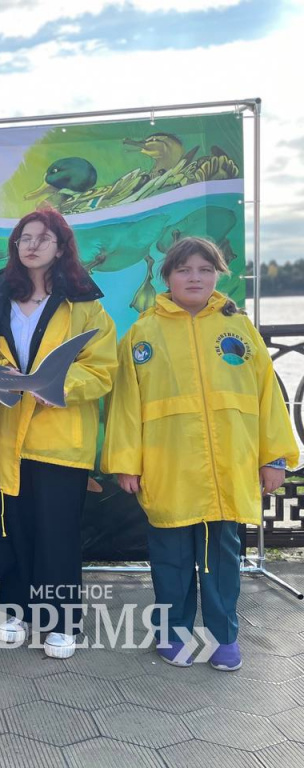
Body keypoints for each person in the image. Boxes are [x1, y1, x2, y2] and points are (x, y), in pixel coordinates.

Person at [103, 236, 298, 671]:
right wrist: (125, 462)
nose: (195, 277)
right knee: (170, 561)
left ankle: (223, 637)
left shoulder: (239, 330)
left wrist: (275, 458)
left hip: (226, 472)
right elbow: (125, 405)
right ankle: (173, 635)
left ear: (217, 276)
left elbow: (268, 396)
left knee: (221, 562)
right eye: (185, 269)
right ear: (167, 277)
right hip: (167, 471)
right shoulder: (142, 334)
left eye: (205, 270)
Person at [0, 207, 117, 659]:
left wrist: (61, 387)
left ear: (61, 247)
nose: (31, 245)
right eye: (24, 237)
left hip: (61, 436)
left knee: (57, 533)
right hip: (7, 433)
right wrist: (1, 373)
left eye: (43, 238)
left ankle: (61, 621)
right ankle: (15, 612)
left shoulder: (85, 304)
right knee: (12, 527)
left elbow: (102, 368)